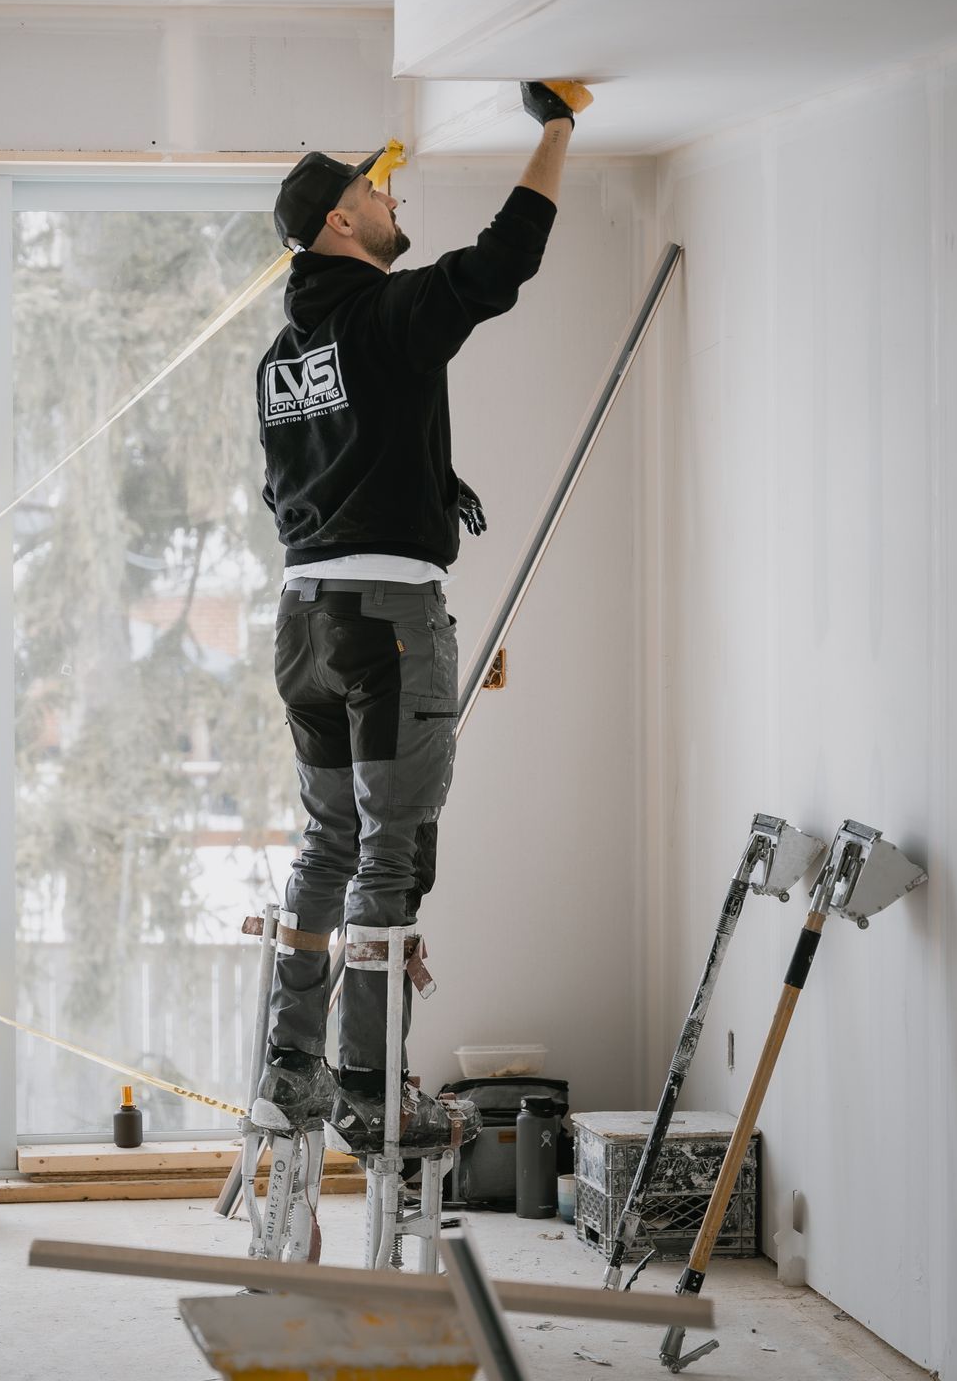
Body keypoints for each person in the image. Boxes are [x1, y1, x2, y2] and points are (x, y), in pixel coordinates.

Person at [252, 81, 585, 1154]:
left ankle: (290, 1071)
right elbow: (500, 267)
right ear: (341, 223)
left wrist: (429, 491)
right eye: (375, 196)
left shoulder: (280, 363)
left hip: (302, 622)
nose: (396, 208)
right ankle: (367, 1091)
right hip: (388, 623)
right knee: (388, 856)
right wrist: (557, 128)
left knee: (327, 841)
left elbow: (298, 486)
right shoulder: (390, 317)